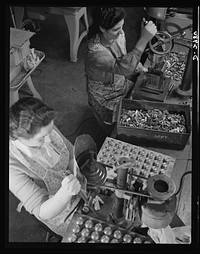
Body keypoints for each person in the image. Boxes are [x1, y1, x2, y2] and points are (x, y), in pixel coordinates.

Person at [9, 97, 87, 239]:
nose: (49, 140)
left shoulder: (43, 128)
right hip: (56, 207)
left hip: (74, 185)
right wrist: (66, 192)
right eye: (41, 138)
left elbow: (69, 151)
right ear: (20, 137)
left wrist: (77, 175)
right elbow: (41, 210)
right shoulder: (11, 165)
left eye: (50, 131)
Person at [84, 7, 157, 133]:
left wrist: (140, 67)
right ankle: (109, 132)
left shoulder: (119, 35)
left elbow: (123, 58)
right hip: (105, 96)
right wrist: (143, 39)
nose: (121, 32)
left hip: (120, 83)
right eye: (115, 29)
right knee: (114, 126)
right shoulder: (96, 53)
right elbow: (125, 68)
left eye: (121, 26)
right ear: (102, 28)